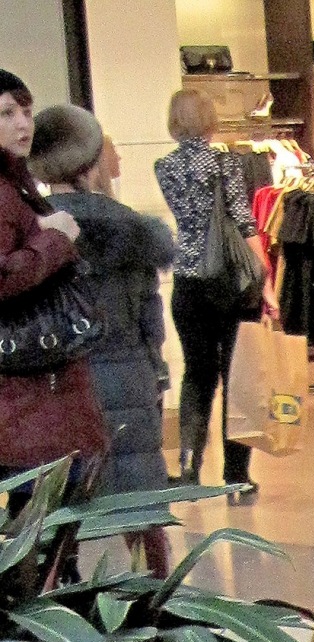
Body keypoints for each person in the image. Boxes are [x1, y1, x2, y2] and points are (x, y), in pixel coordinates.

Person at [30, 105, 175, 576]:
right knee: (142, 513)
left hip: (55, 388)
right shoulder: (130, 229)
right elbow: (149, 318)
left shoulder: (30, 232)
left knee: (54, 522)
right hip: (127, 378)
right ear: (92, 160)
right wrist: (156, 372)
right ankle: (157, 603)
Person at [154, 86, 271, 503]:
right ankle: (235, 473)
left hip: (188, 281)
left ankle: (189, 466)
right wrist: (265, 279)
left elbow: (190, 220)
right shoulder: (226, 163)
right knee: (236, 376)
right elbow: (242, 221)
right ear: (209, 119)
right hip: (230, 281)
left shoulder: (164, 167)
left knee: (197, 374)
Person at [0, 70, 107, 488]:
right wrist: (55, 238)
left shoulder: (15, 182)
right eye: (7, 113)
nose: (23, 124)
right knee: (44, 520)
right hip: (27, 397)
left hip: (33, 395)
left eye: (26, 112)